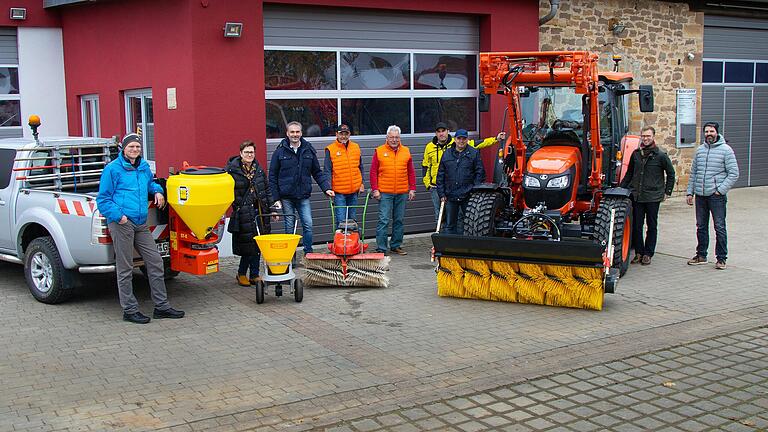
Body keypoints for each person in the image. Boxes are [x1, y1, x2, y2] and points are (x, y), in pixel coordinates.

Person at [96, 133, 184, 324]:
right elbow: (103, 199)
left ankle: (162, 306)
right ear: (124, 149)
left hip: (140, 223)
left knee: (155, 262)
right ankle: (129, 310)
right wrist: (120, 217)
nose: (135, 150)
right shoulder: (113, 169)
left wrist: (158, 191)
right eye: (131, 147)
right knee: (125, 267)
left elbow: (149, 183)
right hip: (122, 223)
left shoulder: (143, 167)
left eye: (137, 147)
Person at [269, 121, 333, 255]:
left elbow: (317, 172)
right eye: (292, 132)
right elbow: (272, 177)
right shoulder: (279, 152)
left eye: (297, 132)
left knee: (308, 225)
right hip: (286, 197)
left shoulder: (308, 150)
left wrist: (326, 188)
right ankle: (290, 257)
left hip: (303, 195)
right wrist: (275, 199)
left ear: (301, 133)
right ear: (287, 133)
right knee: (289, 227)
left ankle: (308, 253)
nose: (295, 134)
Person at [422, 122, 505, 222]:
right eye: (438, 132)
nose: (441, 134)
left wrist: (496, 139)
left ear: (448, 131)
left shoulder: (457, 142)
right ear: (435, 133)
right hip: (436, 187)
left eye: (443, 131)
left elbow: (479, 143)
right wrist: (427, 183)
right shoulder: (429, 147)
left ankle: (455, 236)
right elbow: (425, 166)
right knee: (439, 216)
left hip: (452, 188)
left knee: (456, 217)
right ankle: (442, 236)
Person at [686, 122, 739, 270]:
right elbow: (694, 173)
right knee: (701, 226)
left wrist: (720, 190)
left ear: (717, 132)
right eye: (707, 131)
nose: (709, 134)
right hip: (701, 196)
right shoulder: (700, 150)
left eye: (712, 131)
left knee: (719, 227)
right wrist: (690, 192)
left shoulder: (726, 150)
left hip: (716, 196)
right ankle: (701, 255)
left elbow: (734, 174)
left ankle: (721, 258)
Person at [619, 126, 675, 266]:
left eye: (648, 136)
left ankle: (648, 253)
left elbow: (671, 174)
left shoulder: (660, 155)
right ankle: (639, 252)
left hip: (653, 197)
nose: (645, 138)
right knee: (637, 226)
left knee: (652, 225)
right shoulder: (636, 154)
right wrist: (621, 188)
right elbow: (629, 174)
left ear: (653, 137)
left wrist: (667, 192)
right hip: (637, 196)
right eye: (643, 136)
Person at [226, 140, 277, 287]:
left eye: (252, 152)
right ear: (241, 153)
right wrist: (237, 206)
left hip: (260, 211)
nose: (250, 155)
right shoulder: (232, 171)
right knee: (248, 246)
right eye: (247, 152)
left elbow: (267, 190)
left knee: (259, 244)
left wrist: (272, 209)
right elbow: (228, 192)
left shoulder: (259, 170)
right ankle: (242, 273)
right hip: (243, 213)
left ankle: (254, 274)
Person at [370, 125, 416, 255]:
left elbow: (411, 172)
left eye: (396, 137)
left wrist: (412, 188)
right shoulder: (379, 151)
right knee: (383, 220)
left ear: (399, 138)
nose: (394, 140)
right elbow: (373, 172)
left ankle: (396, 245)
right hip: (384, 192)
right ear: (387, 137)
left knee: (399, 220)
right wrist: (375, 189)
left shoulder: (406, 151)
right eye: (391, 137)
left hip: (401, 192)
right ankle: (381, 248)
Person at [436, 129, 485, 234]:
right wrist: (442, 194)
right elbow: (440, 175)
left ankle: (464, 248)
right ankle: (449, 248)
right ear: (455, 139)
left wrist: (474, 190)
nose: (461, 141)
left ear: (467, 140)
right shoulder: (447, 154)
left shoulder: (473, 153)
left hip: (468, 196)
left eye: (464, 139)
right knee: (449, 225)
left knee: (469, 223)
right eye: (459, 138)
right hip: (450, 195)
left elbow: (480, 173)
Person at [324, 124, 365, 227]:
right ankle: (341, 243)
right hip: (339, 192)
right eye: (341, 134)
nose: (344, 136)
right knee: (341, 221)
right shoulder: (330, 149)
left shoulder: (356, 147)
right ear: (337, 134)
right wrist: (328, 188)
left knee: (353, 220)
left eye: (346, 134)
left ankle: (353, 242)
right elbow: (327, 170)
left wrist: (362, 183)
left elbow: (360, 167)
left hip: (354, 191)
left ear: (349, 134)